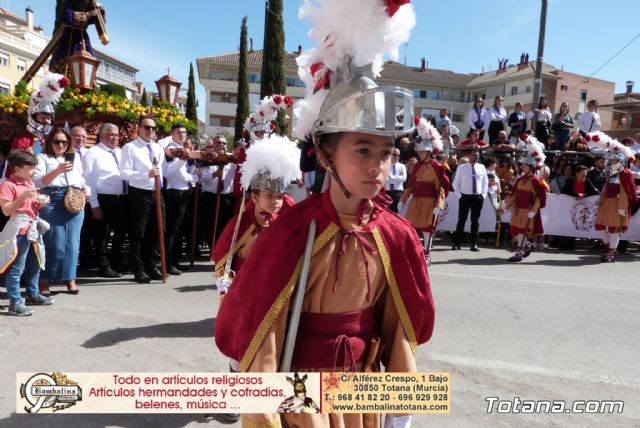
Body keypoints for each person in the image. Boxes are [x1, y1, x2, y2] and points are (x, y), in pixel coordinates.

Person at [215, 3, 434, 427]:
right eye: (363, 150)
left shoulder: (395, 235)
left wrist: (399, 408)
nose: (378, 167)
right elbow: (264, 334)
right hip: (302, 399)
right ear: (326, 154)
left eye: (387, 152)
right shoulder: (293, 231)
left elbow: (400, 329)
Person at [34, 128, 86, 295]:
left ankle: (70, 278)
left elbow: (81, 177)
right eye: (57, 141)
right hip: (53, 199)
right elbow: (38, 181)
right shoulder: (43, 158)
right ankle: (45, 279)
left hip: (74, 198)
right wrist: (58, 170)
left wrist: (86, 188)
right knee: (53, 242)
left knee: (73, 242)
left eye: (64, 142)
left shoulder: (75, 158)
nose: (61, 145)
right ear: (51, 143)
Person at [0, 150, 52, 316]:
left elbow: (32, 206)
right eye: (30, 168)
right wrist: (22, 197)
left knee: (36, 263)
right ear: (16, 169)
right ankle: (15, 302)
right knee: (16, 267)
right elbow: (7, 210)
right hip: (19, 231)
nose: (33, 172)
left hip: (33, 229)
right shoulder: (7, 185)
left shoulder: (29, 184)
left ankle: (32, 294)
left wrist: (40, 203)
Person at [119, 115, 166, 284]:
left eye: (153, 128)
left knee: (159, 228)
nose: (151, 131)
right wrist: (146, 174)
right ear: (139, 128)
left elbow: (163, 170)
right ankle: (138, 268)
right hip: (139, 193)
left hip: (156, 192)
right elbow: (124, 173)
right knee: (139, 232)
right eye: (147, 127)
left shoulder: (158, 148)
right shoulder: (130, 148)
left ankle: (151, 264)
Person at [398, 119, 449, 264]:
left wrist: (438, 206)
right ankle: (412, 252)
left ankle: (427, 253)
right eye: (419, 151)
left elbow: (441, 189)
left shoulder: (437, 167)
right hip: (416, 201)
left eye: (422, 152)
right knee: (411, 227)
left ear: (428, 152)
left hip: (429, 202)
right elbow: (410, 185)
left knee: (427, 229)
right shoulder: (417, 166)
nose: (419, 154)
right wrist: (402, 200)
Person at [83, 123, 127, 278]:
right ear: (101, 136)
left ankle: (116, 261)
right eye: (110, 134)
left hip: (120, 198)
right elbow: (89, 181)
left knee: (121, 232)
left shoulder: (120, 152)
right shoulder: (93, 153)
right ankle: (103, 265)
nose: (114, 137)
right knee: (102, 234)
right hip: (102, 198)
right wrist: (94, 205)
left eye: (116, 134)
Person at [588, 135, 637, 263]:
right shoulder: (611, 172)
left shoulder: (626, 173)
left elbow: (629, 191)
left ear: (620, 161)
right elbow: (606, 187)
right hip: (607, 203)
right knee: (599, 226)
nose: (611, 162)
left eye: (614, 161)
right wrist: (601, 199)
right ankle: (609, 247)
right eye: (611, 161)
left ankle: (611, 252)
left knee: (613, 229)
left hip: (618, 203)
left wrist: (623, 206)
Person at [160, 123, 197, 275]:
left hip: (184, 192)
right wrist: (193, 177)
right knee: (172, 231)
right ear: (172, 134)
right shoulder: (170, 151)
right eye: (179, 132)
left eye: (184, 132)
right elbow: (168, 172)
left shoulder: (183, 149)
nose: (182, 135)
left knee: (180, 230)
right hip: (174, 192)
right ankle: (168, 263)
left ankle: (175, 260)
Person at [8, 74, 69, 166]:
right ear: (34, 118)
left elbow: (64, 158)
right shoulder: (23, 139)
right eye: (42, 117)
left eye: (48, 118)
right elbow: (15, 165)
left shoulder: (54, 138)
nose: (46, 121)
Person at [504, 153, 547, 262]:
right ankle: (528, 245)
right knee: (516, 231)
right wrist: (506, 206)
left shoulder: (536, 181)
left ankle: (518, 253)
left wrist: (533, 211)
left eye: (525, 165)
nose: (522, 167)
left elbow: (538, 199)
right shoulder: (520, 179)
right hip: (518, 210)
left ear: (531, 167)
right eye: (522, 165)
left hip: (527, 210)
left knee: (521, 232)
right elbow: (514, 195)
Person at [200, 136, 236, 250]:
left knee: (226, 226)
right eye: (219, 142)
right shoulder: (206, 158)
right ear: (213, 144)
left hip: (227, 198)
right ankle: (214, 250)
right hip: (210, 197)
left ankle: (223, 250)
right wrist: (213, 175)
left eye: (224, 143)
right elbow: (199, 178)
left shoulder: (231, 159)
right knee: (210, 225)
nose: (222, 145)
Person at [452, 147, 488, 251]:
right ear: (469, 155)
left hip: (477, 197)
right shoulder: (462, 167)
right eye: (474, 155)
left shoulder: (481, 167)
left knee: (475, 221)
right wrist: (460, 196)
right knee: (461, 220)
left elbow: (485, 182)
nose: (476, 157)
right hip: (465, 197)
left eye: (477, 155)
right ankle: (457, 242)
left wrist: (483, 195)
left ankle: (474, 243)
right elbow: (456, 183)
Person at [71, 125, 94, 269]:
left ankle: (87, 258)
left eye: (84, 137)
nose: (81, 139)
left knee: (89, 228)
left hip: (91, 194)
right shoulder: (66, 153)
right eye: (77, 136)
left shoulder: (89, 153)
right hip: (74, 195)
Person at [385, 147, 406, 213]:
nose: (397, 156)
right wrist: (397, 179)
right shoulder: (386, 165)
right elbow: (385, 179)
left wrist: (391, 177)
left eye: (398, 155)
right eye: (395, 155)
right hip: (387, 191)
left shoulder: (402, 166)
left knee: (395, 212)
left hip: (398, 192)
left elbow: (403, 179)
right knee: (385, 211)